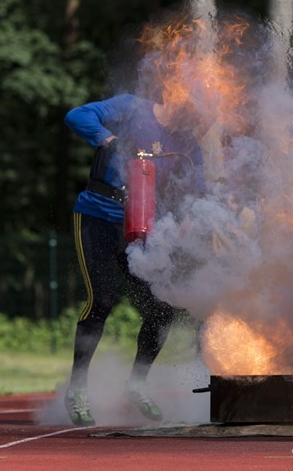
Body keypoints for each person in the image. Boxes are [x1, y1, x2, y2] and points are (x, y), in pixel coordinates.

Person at [63, 93, 210, 426]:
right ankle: (77, 389)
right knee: (101, 300)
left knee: (163, 308)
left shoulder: (188, 142)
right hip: (98, 216)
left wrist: (192, 215)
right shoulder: (132, 105)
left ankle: (138, 382)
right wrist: (108, 139)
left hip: (144, 228)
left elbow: (197, 185)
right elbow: (76, 116)